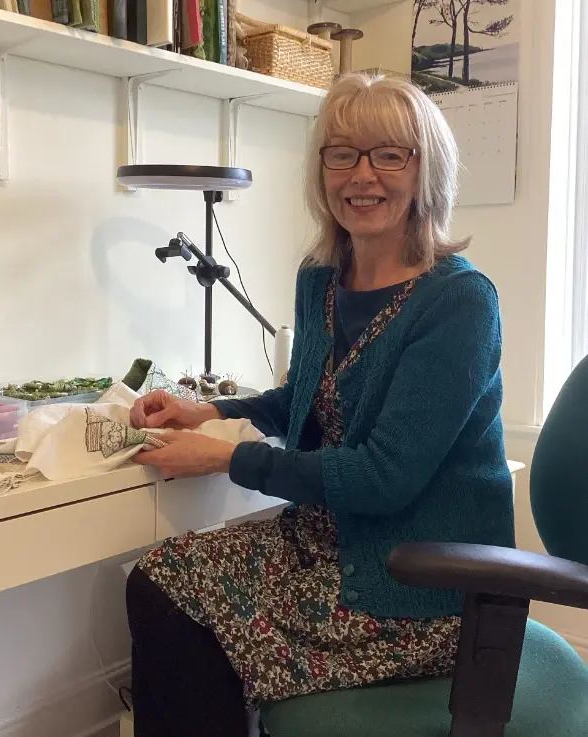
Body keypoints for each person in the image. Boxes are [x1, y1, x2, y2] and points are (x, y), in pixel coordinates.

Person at [125, 73, 515, 737]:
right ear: (321, 169)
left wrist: (228, 458)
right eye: (342, 153)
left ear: (426, 169)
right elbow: (306, 399)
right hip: (328, 543)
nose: (361, 176)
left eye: (388, 154)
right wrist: (209, 413)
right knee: (157, 581)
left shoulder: (458, 302)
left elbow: (380, 476)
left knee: (198, 623)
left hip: (416, 585)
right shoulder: (321, 279)